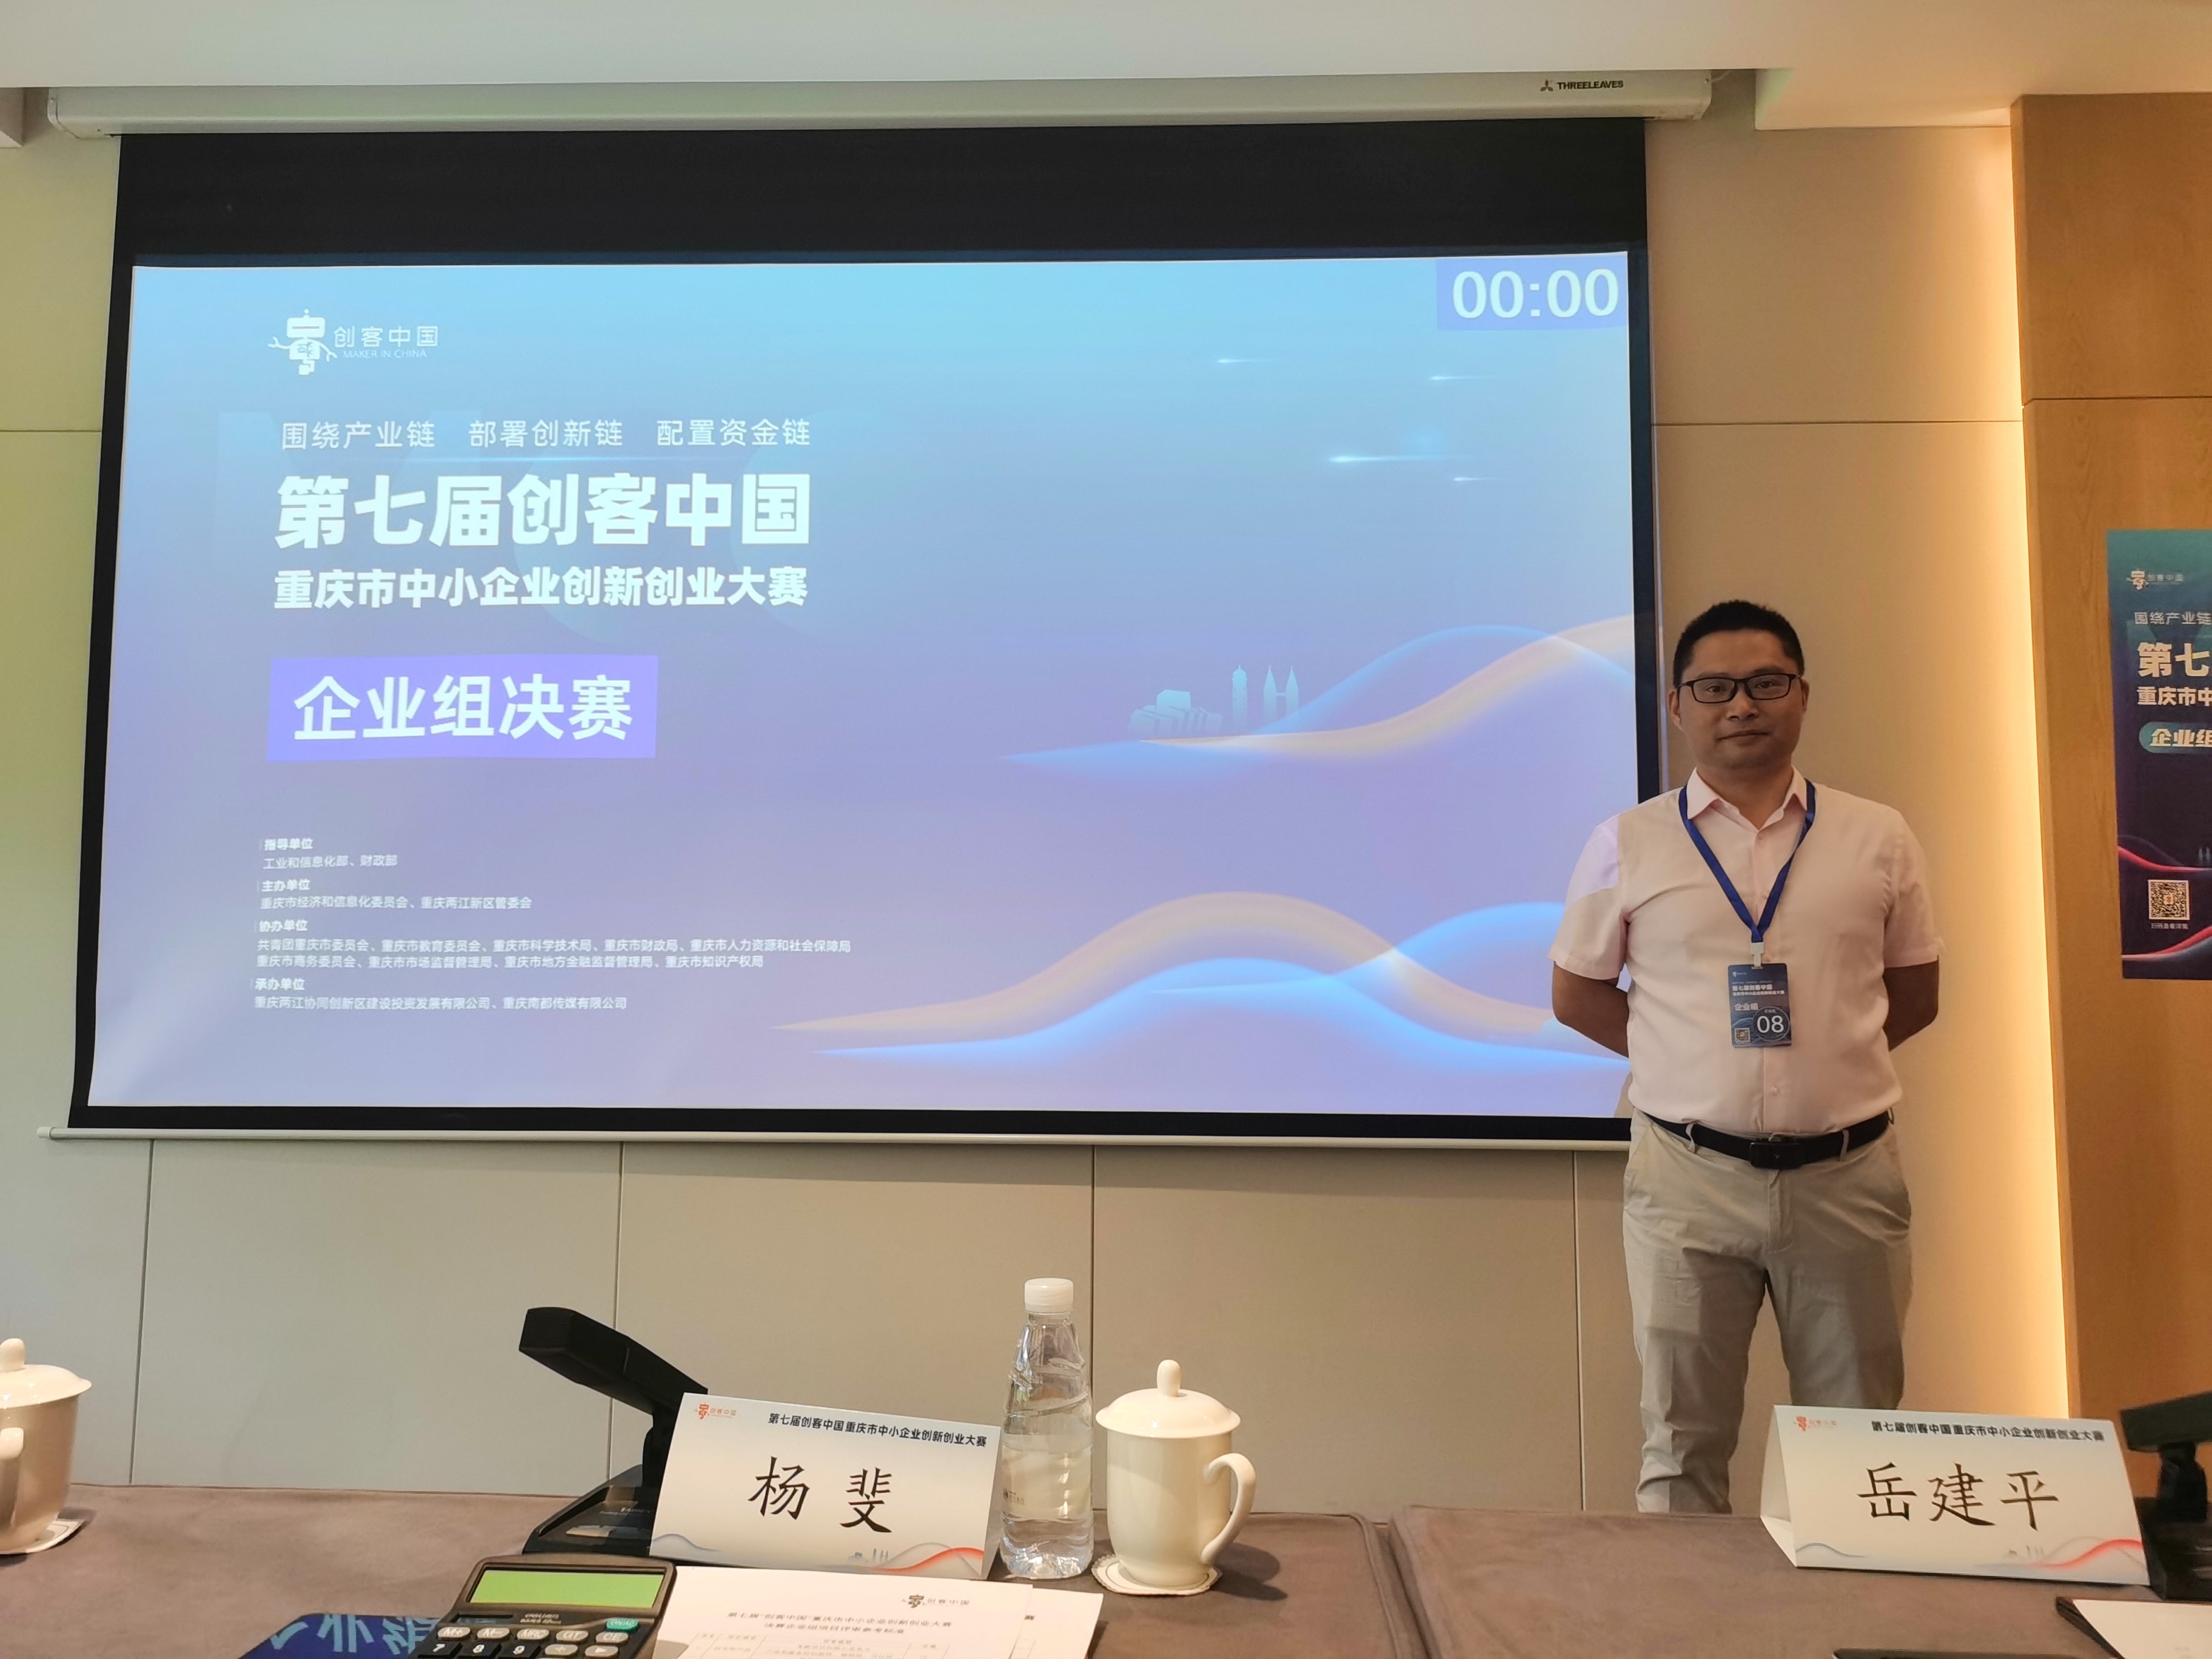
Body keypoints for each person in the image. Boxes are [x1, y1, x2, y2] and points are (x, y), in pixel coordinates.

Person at [1549, 599, 1942, 1515]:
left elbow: (1916, 992)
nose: (1742, 706)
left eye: (1767, 683)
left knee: (1858, 1445)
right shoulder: (1627, 842)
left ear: (1802, 695)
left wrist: (1822, 1062)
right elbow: (1577, 993)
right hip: (1687, 1177)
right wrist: (1685, 1058)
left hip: (1847, 1176)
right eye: (1715, 688)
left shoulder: (1877, 835)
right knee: (1681, 1443)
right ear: (1677, 706)